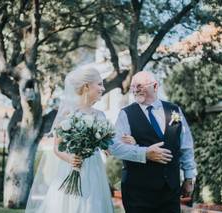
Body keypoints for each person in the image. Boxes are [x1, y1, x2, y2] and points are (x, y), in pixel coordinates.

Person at [25, 67, 150, 213]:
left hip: (95, 172)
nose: (103, 88)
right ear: (86, 86)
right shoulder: (67, 113)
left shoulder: (101, 115)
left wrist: (128, 143)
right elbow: (57, 148)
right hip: (71, 169)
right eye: (99, 84)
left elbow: (109, 148)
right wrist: (70, 158)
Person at [112, 71, 197, 213]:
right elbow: (115, 147)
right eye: (133, 87)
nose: (135, 90)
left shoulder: (174, 111)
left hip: (170, 191)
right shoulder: (126, 114)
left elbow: (185, 146)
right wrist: (144, 153)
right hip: (138, 192)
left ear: (155, 86)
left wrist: (189, 177)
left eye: (139, 86)